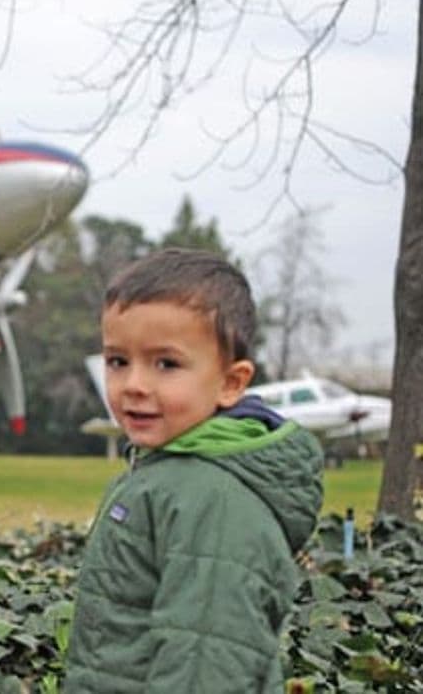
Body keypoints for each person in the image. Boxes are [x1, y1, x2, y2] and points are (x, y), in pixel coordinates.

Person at [64, 248, 323, 693]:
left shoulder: (215, 499)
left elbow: (208, 662)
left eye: (166, 364)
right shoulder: (165, 474)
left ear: (230, 383)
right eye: (117, 361)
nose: (134, 385)